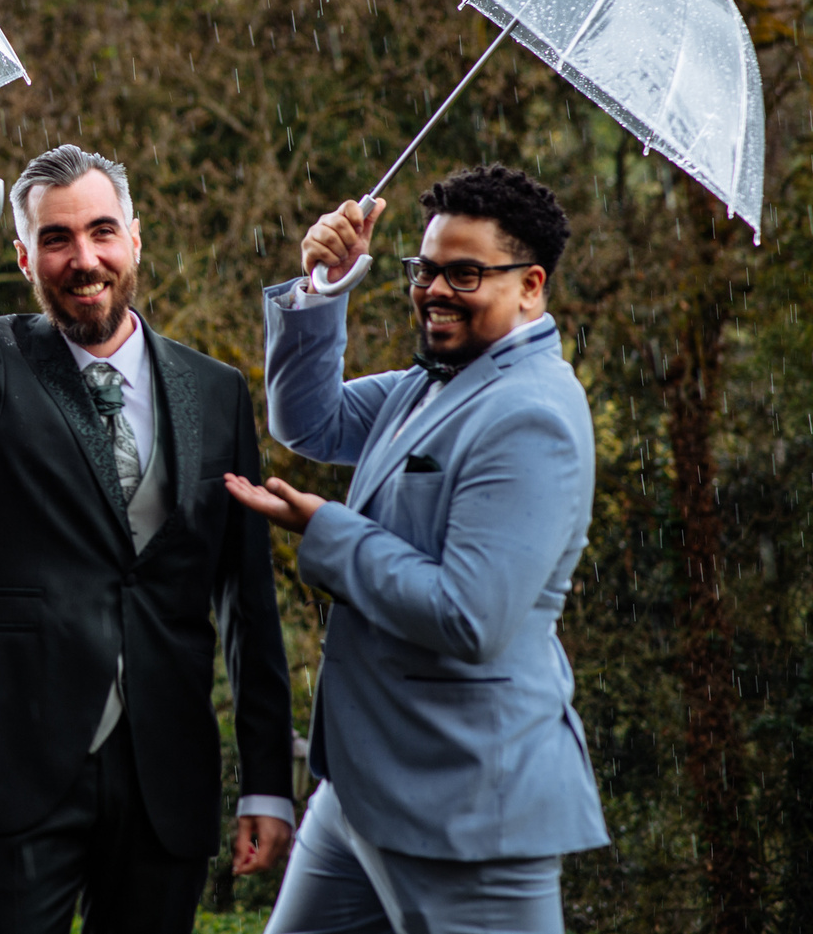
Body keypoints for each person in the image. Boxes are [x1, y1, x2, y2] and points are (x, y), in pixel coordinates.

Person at [0, 141, 296, 933]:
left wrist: (267, 779)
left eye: (102, 232)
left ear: (135, 239)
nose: (84, 258)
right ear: (24, 255)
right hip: (19, 753)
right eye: (57, 238)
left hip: (166, 764)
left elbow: (246, 600)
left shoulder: (216, 390)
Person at [226, 164, 609, 933]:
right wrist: (323, 290)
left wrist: (327, 528)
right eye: (425, 269)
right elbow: (310, 422)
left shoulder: (530, 415)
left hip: (467, 808)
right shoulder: (432, 381)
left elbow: (470, 616)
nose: (434, 290)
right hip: (360, 790)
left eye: (464, 274)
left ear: (530, 285)